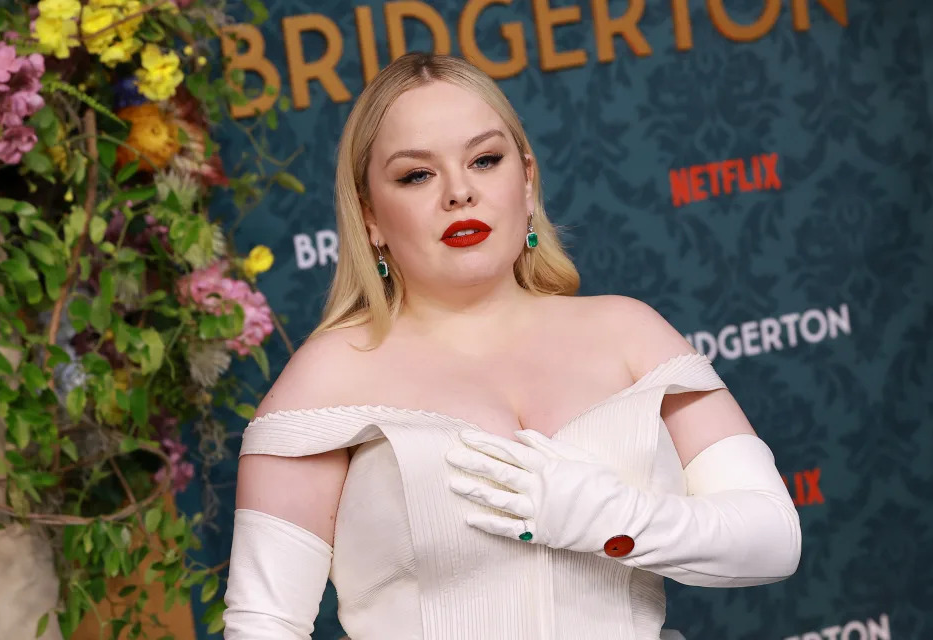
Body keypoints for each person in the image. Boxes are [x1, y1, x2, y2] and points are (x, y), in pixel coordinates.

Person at [222, 52, 801, 640]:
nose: (459, 193)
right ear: (370, 217)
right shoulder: (327, 377)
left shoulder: (629, 331)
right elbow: (263, 627)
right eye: (416, 175)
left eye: (485, 160)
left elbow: (771, 538)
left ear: (526, 180)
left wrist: (607, 519)